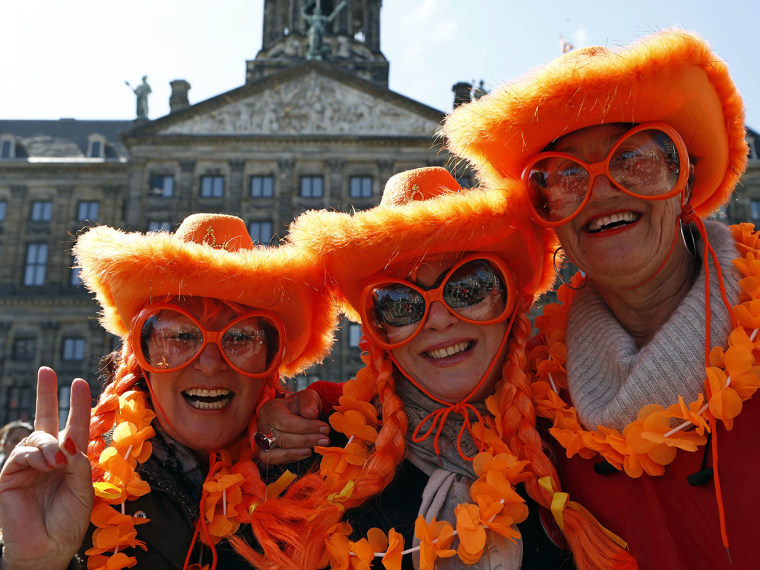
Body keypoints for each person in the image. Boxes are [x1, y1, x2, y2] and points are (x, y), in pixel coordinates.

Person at [443, 29, 753, 569]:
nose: (601, 190)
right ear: (550, 222)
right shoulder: (534, 394)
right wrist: (289, 420)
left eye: (633, 159)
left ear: (684, 181)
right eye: (563, 178)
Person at [243, 167, 636, 569]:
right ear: (379, 332)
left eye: (469, 287)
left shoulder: (590, 436)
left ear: (512, 304)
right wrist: (258, 436)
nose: (439, 319)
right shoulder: (317, 451)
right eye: (400, 303)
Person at [0, 213, 338, 570]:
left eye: (240, 337)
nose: (209, 364)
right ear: (140, 356)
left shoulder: (327, 477)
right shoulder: (75, 495)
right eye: (179, 335)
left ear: (270, 364)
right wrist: (31, 562)